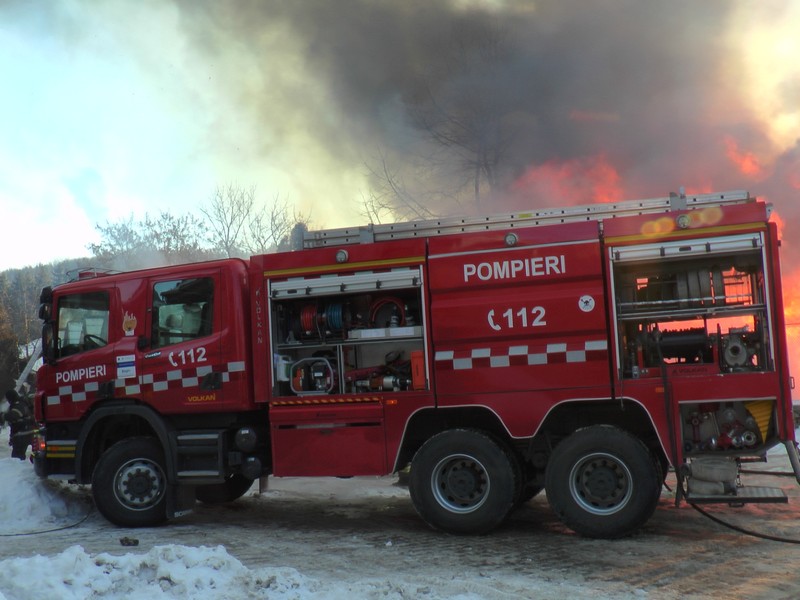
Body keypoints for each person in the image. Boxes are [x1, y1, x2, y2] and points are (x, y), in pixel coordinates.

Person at [1, 389, 34, 460]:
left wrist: (3, 416)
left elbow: (13, 415)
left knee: (17, 458)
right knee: (18, 457)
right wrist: (12, 438)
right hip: (25, 432)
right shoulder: (23, 403)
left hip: (23, 434)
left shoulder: (18, 405)